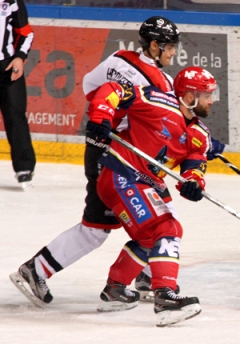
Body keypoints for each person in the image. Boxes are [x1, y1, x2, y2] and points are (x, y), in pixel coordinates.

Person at [8, 16, 224, 309]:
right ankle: (40, 269)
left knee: (158, 213)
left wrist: (198, 141)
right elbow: (118, 97)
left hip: (120, 149)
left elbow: (92, 86)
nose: (174, 52)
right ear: (154, 45)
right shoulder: (145, 75)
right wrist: (108, 119)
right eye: (170, 46)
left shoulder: (128, 62)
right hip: (113, 153)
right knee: (103, 227)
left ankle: (147, 275)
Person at [86, 66, 216, 325]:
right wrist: (101, 115)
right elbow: (113, 90)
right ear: (189, 96)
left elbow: (194, 163)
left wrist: (193, 182)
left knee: (149, 238)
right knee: (167, 228)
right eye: (207, 94)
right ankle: (164, 295)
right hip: (121, 172)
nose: (212, 100)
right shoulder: (156, 100)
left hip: (147, 183)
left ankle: (116, 288)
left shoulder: (199, 133)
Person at [0, 0, 35, 188]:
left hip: (7, 67)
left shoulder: (11, 1)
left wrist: (20, 57)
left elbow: (26, 33)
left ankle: (24, 168)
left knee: (15, 115)